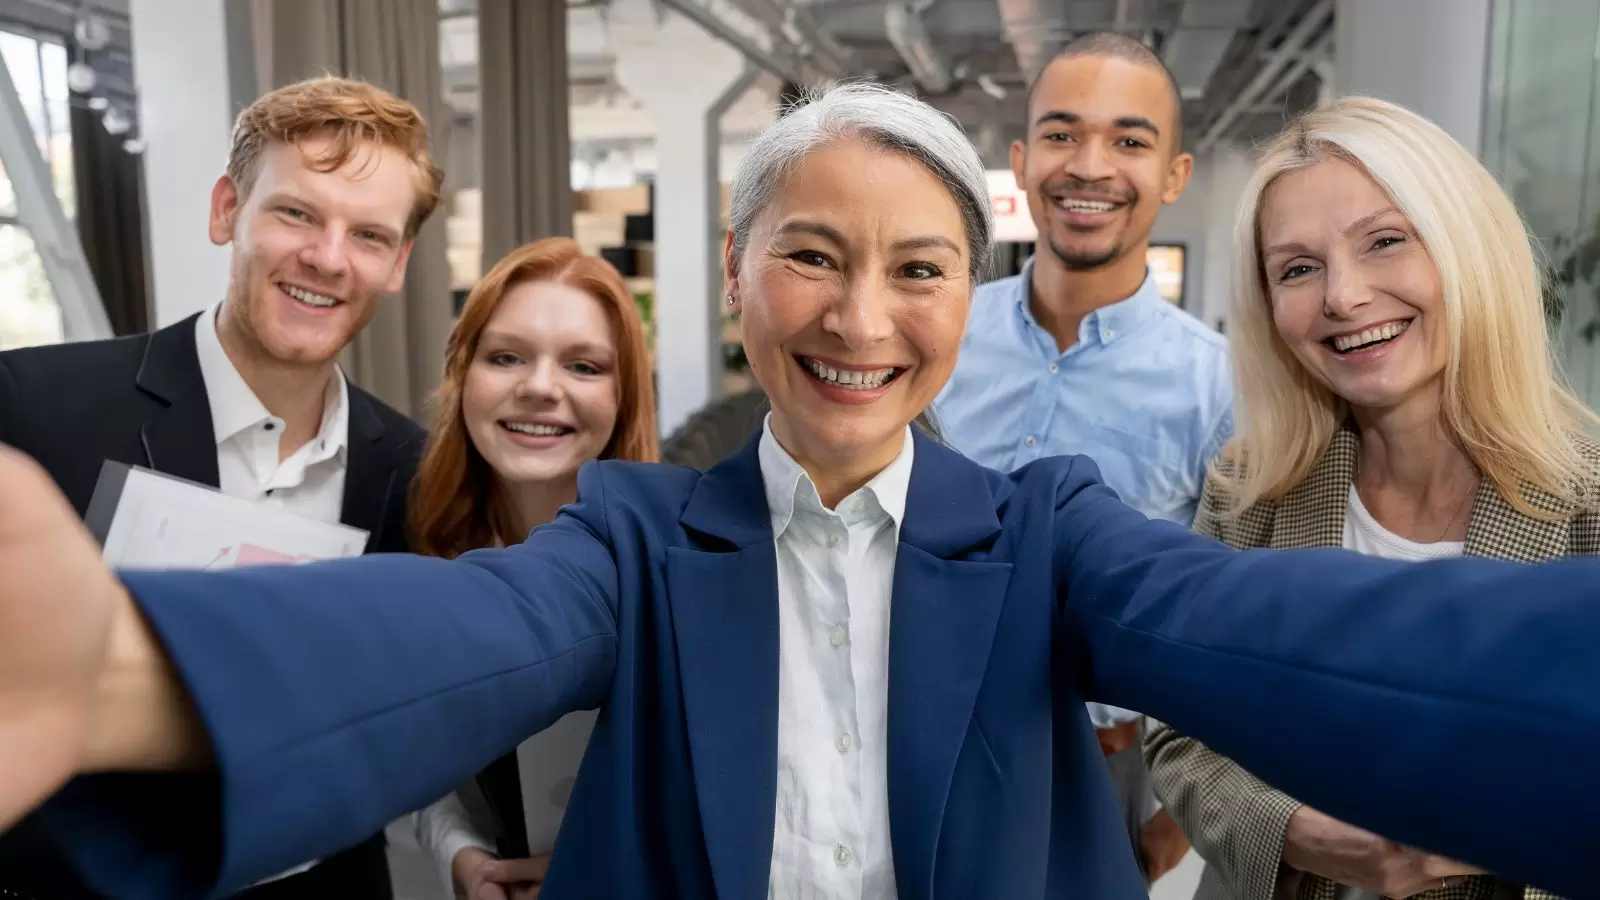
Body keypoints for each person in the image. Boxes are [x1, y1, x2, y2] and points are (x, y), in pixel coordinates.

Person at [1, 82, 1599, 900]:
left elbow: (1281, 633)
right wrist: (122, 674)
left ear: (964, 298)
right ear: (737, 276)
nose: (858, 319)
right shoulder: (636, 531)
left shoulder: (1047, 533)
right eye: (812, 259)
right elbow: (461, 632)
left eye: (918, 271)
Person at [1143, 97, 1598, 900]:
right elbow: (1181, 734)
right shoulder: (1250, 490)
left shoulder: (1589, 498)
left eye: (1384, 242)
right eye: (1297, 268)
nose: (1343, 297)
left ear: (1466, 248)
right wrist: (1291, 829)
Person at [0, 74, 440, 900]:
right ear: (226, 211)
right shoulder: (31, 409)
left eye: (369, 234)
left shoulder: (413, 473)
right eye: (296, 213)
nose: (327, 257)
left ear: (397, 263)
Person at [932, 31, 1228, 883]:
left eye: (1130, 140)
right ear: (1022, 163)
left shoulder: (1216, 389)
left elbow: (1228, 614)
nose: (1089, 165)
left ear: (1174, 175)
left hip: (1107, 760)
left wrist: (1172, 826)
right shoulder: (940, 332)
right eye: (1062, 134)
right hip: (922, 722)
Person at [405, 236, 658, 900]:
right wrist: (463, 858)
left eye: (583, 366)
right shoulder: (426, 550)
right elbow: (424, 759)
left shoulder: (677, 566)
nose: (540, 388)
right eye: (506, 357)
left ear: (624, 393)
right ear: (464, 373)